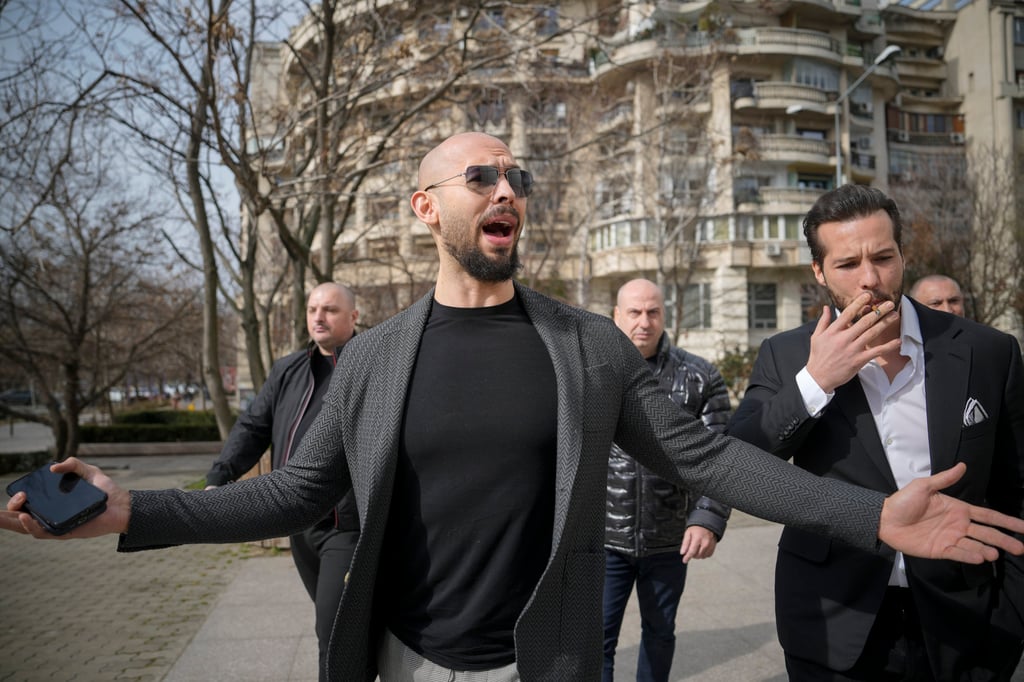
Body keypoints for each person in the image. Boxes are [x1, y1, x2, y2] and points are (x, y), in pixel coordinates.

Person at [5, 134, 1024, 682]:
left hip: (546, 662)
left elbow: (709, 460)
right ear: (426, 207)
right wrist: (134, 511)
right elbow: (296, 492)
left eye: (516, 176)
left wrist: (870, 514)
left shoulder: (585, 345)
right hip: (400, 657)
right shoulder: (373, 358)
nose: (506, 189)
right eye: (480, 174)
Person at [727, 184, 1024, 681]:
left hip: (966, 624)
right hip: (832, 623)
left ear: (903, 255)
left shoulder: (988, 350)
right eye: (848, 264)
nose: (870, 279)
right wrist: (816, 381)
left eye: (883, 258)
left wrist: (1012, 613)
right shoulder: (786, 355)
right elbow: (738, 463)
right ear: (819, 271)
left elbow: (1015, 487)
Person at [203, 281, 359, 670]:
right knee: (337, 622)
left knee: (334, 632)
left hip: (346, 524)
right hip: (298, 521)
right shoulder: (287, 369)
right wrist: (219, 476)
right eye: (312, 309)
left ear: (354, 316)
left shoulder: (371, 365)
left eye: (330, 310)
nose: (319, 317)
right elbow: (253, 427)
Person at [603, 278, 731, 682]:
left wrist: (707, 518)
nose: (644, 322)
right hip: (604, 538)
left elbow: (719, 457)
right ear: (616, 316)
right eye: (634, 312)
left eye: (653, 312)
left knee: (659, 633)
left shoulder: (700, 377)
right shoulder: (592, 372)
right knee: (597, 638)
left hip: (669, 538)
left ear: (664, 314)